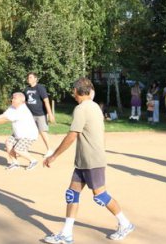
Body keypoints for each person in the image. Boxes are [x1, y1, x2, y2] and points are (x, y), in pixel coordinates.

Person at [43, 77, 134, 243]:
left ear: (77, 91)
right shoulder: (94, 106)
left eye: (73, 90)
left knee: (100, 196)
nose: (72, 93)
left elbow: (72, 135)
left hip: (92, 161)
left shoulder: (82, 108)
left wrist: (54, 155)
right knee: (72, 194)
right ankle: (66, 233)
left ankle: (125, 223)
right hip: (83, 160)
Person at [0, 92, 39, 170]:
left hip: (28, 135)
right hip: (19, 133)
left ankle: (33, 161)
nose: (12, 100)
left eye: (15, 98)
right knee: (8, 143)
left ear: (21, 101)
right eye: (12, 98)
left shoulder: (22, 110)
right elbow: (4, 115)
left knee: (18, 149)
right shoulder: (13, 107)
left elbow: (5, 120)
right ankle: (15, 163)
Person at [24, 72, 56, 157]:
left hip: (40, 114)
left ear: (35, 79)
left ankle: (50, 150)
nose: (29, 79)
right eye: (28, 78)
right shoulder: (26, 89)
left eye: (30, 77)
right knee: (28, 132)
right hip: (30, 115)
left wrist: (50, 114)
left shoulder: (40, 88)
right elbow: (25, 101)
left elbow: (46, 100)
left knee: (42, 132)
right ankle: (24, 149)